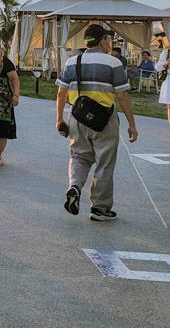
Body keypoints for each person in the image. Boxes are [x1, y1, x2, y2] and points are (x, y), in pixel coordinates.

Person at [56, 24, 138, 222]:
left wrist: (59, 118)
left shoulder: (71, 62)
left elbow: (61, 92)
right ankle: (100, 208)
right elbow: (123, 95)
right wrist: (131, 123)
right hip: (104, 120)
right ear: (103, 41)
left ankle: (74, 186)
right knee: (105, 162)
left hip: (77, 117)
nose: (109, 43)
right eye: (108, 39)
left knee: (79, 156)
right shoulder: (113, 63)